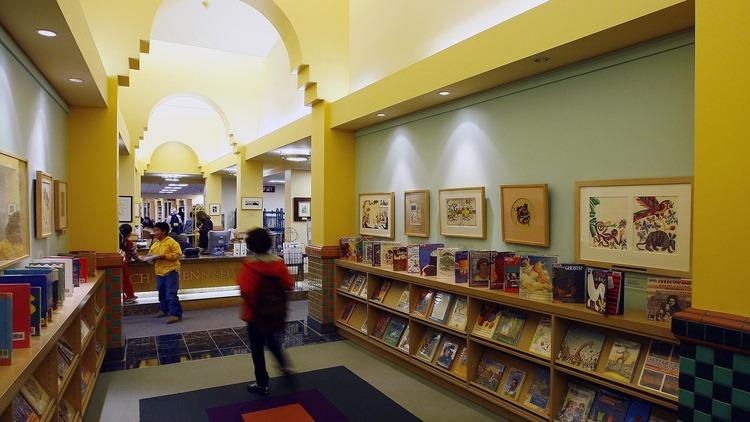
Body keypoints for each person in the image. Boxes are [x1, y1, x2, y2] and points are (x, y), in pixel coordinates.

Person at [236, 227, 294, 395]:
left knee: (257, 348)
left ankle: (262, 383)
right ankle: (285, 367)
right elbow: (289, 284)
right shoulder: (278, 262)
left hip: (254, 314)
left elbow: (245, 290)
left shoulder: (249, 265)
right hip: (274, 311)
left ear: (250, 245)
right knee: (272, 340)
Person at [148, 222, 183, 324]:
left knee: (171, 293)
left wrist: (164, 256)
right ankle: (164, 310)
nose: (154, 233)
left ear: (164, 231)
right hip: (159, 272)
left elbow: (177, 255)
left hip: (171, 272)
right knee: (161, 292)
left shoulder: (172, 242)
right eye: (154, 230)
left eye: (156, 230)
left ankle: (175, 314)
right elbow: (151, 255)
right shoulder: (155, 244)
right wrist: (149, 258)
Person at [118, 224, 140, 304]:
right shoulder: (129, 243)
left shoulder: (116, 240)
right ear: (129, 233)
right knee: (126, 280)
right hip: (124, 263)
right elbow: (135, 256)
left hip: (117, 262)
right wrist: (140, 259)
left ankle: (123, 297)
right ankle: (129, 297)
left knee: (120, 281)